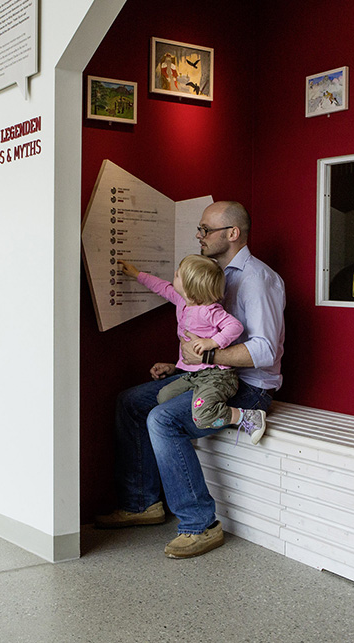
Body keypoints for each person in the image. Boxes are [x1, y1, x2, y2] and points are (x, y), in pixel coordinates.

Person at [96, 201, 285, 559]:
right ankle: (142, 504)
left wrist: (207, 356)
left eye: (205, 230)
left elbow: (265, 352)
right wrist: (183, 363)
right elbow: (198, 323)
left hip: (249, 388)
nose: (199, 236)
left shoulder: (257, 280)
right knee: (132, 402)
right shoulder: (212, 274)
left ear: (232, 234)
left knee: (162, 419)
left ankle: (200, 524)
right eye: (199, 229)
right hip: (204, 375)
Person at [119, 254, 264, 438]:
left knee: (202, 417)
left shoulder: (208, 310)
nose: (174, 274)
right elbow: (162, 287)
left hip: (217, 375)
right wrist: (137, 274)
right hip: (195, 374)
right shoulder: (182, 301)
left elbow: (235, 326)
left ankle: (246, 416)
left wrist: (212, 342)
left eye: (178, 274)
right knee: (163, 397)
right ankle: (202, 402)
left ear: (190, 288)